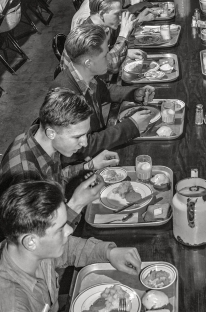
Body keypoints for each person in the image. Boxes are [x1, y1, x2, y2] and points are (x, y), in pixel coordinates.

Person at [0, 180, 142, 312]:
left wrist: (110, 252)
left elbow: (70, 249)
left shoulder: (32, 251)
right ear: (31, 242)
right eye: (60, 229)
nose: (69, 230)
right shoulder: (13, 306)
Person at [0, 88, 120, 228]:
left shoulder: (41, 139)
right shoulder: (26, 179)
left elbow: (53, 178)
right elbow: (41, 241)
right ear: (51, 133)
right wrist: (76, 203)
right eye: (77, 137)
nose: (85, 143)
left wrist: (89, 165)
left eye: (85, 134)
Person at [52, 24, 156, 159]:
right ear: (89, 62)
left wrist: (134, 93)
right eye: (105, 55)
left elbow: (105, 90)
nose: (110, 59)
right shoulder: (65, 96)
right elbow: (83, 147)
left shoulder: (84, 74)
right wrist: (131, 125)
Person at [64, 0, 147, 74]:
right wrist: (124, 35)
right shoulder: (89, 38)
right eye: (116, 14)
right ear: (101, 14)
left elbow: (105, 52)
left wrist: (126, 52)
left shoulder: (102, 27)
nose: (120, 17)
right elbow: (111, 66)